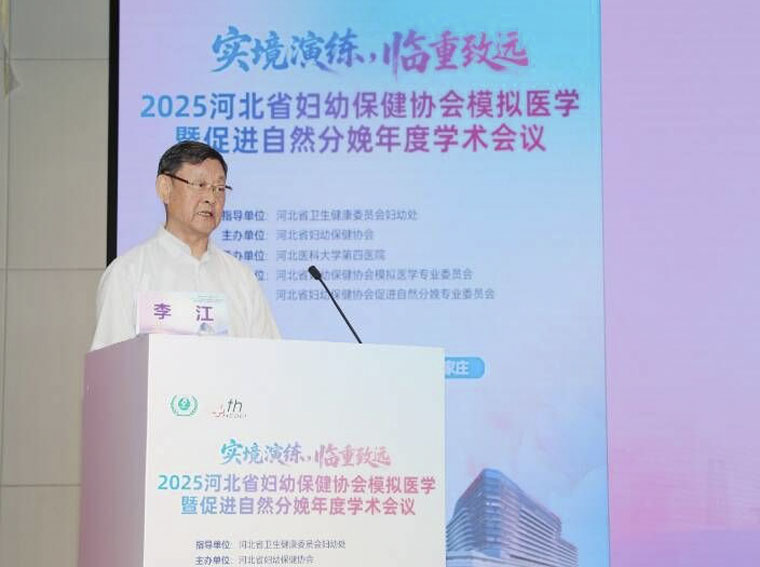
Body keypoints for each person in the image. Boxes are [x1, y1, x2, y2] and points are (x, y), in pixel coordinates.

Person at [90, 141, 279, 350]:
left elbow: (270, 358)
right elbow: (110, 363)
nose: (211, 198)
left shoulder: (241, 278)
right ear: (165, 188)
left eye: (219, 188)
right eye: (199, 185)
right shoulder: (128, 273)